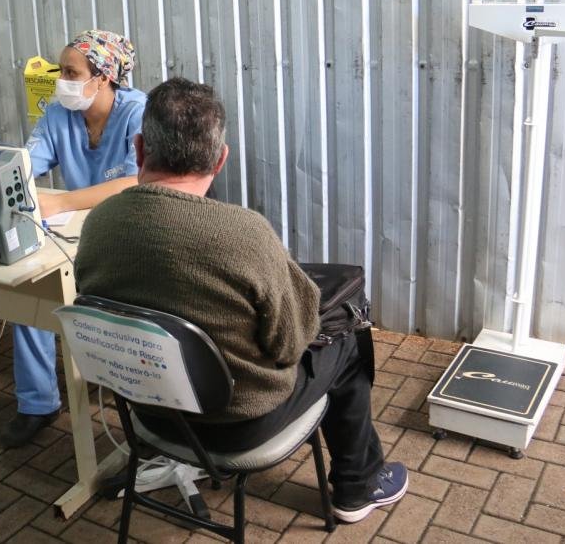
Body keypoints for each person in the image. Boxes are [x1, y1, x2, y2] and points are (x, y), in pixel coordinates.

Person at [74, 77, 408, 523]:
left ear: (138, 149)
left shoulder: (99, 224)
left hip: (150, 415)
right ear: (220, 159)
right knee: (347, 337)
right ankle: (357, 486)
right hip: (240, 425)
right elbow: (290, 345)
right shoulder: (245, 234)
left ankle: (357, 482)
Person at [0, 29, 145, 448]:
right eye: (60, 70)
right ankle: (37, 404)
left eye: (70, 72)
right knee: (30, 289)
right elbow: (26, 166)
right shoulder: (60, 113)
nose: (61, 80)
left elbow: (135, 182)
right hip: (76, 237)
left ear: (104, 77)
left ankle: (144, 410)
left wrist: (60, 202)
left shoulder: (138, 113)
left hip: (126, 237)